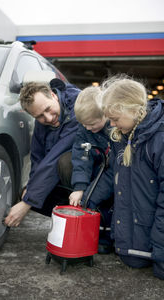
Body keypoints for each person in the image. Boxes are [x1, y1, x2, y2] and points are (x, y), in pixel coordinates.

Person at [84, 75, 164, 280]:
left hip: (152, 241)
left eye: (115, 119)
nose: (111, 124)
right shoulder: (122, 137)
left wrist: (160, 250)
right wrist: (88, 201)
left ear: (133, 110)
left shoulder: (159, 139)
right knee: (133, 262)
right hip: (131, 244)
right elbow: (112, 174)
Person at [4, 78, 81, 227]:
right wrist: (29, 190)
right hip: (64, 175)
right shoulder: (43, 122)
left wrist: (27, 203)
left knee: (65, 162)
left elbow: (54, 158)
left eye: (47, 109)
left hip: (94, 173)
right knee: (28, 191)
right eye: (39, 116)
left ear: (53, 95)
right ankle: (70, 216)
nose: (48, 118)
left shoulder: (78, 107)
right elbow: (38, 159)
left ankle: (92, 215)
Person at [69, 86, 114, 254]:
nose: (88, 128)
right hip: (99, 170)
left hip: (114, 174)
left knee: (104, 201)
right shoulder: (84, 130)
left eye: (92, 124)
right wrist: (80, 186)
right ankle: (95, 233)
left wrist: (89, 195)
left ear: (105, 114)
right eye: (84, 124)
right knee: (92, 200)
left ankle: (108, 236)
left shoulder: (115, 128)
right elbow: (82, 157)